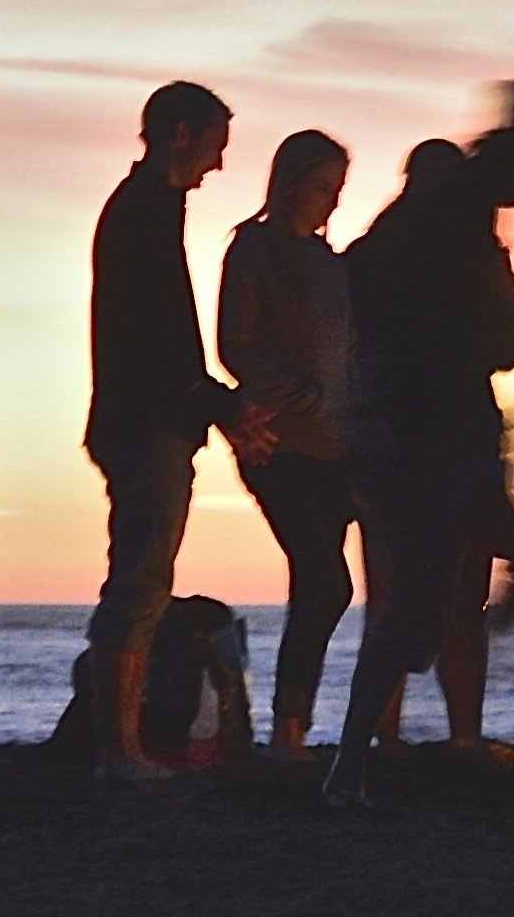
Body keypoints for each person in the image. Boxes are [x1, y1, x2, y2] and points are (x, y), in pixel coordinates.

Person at [328, 84, 514, 805]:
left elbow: (503, 339)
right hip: (428, 438)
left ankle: (375, 740)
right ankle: (350, 764)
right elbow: (492, 336)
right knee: (417, 608)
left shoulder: (456, 222)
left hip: (454, 433)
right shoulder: (450, 213)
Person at [84, 83, 271, 785]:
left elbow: (165, 341)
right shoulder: (141, 215)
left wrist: (212, 405)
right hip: (145, 423)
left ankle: (121, 748)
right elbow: (157, 341)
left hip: (149, 418)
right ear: (183, 135)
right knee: (139, 582)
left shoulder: (150, 211)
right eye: (216, 147)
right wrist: (215, 405)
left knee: (143, 579)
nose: (219, 166)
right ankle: (119, 752)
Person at [217, 129, 356, 756]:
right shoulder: (253, 250)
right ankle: (287, 729)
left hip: (336, 443)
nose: (330, 202)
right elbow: (233, 344)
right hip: (277, 438)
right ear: (291, 183)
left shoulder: (330, 265)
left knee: (323, 580)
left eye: (337, 190)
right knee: (325, 580)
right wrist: (293, 393)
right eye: (323, 187)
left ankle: (293, 730)